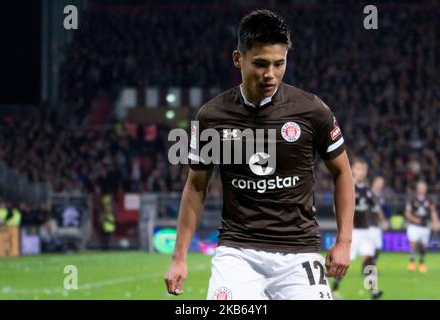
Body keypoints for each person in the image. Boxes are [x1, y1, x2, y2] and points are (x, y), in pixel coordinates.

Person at [165, 10, 355, 300]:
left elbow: (342, 172)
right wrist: (179, 258)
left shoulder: (312, 110)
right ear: (238, 59)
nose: (271, 74)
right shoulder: (212, 117)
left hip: (299, 252)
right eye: (261, 64)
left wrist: (344, 241)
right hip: (238, 252)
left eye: (279, 64)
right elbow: (196, 186)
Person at [332, 158, 383, 299]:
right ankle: (333, 289)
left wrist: (380, 220)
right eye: (359, 168)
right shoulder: (346, 186)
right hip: (352, 232)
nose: (362, 172)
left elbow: (374, 209)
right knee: (344, 261)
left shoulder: (367, 190)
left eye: (364, 169)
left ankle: (373, 289)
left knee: (369, 260)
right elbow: (336, 208)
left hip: (366, 230)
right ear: (352, 169)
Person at [405, 181, 440, 273]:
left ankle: (421, 262)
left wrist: (435, 222)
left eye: (424, 187)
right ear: (417, 188)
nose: (422, 189)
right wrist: (414, 219)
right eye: (420, 187)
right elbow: (407, 213)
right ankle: (412, 262)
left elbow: (433, 211)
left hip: (425, 226)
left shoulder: (429, 200)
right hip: (414, 226)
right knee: (413, 243)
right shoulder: (412, 199)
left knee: (423, 246)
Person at [370, 176, 389, 264]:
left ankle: (371, 264)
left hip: (375, 224)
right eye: (379, 182)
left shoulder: (380, 196)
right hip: (366, 224)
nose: (380, 185)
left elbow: (379, 210)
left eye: (382, 183)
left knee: (378, 246)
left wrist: (383, 220)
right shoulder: (368, 193)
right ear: (374, 182)